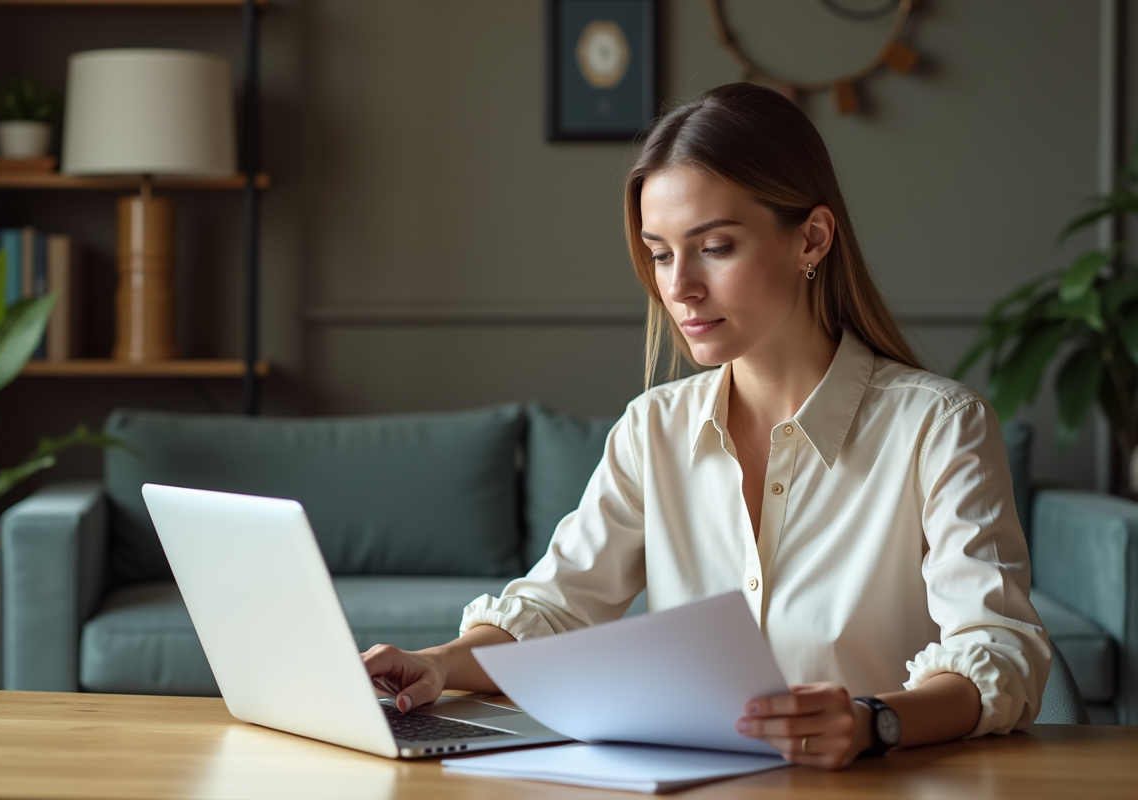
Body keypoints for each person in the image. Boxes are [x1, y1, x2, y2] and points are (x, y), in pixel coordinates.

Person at [361, 82, 1051, 770]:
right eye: (661, 253)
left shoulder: (939, 427)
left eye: (714, 247)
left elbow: (1000, 653)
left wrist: (876, 722)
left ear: (811, 238)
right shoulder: (652, 430)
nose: (680, 286)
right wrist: (435, 663)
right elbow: (554, 608)